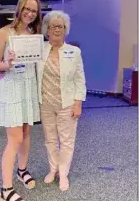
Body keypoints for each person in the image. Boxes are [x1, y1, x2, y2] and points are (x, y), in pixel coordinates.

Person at [0, 0, 42, 201]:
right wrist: (7, 64)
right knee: (15, 139)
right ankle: (5, 190)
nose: (30, 13)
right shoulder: (5, 32)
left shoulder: (32, 33)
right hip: (11, 88)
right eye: (27, 9)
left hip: (27, 87)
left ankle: (22, 170)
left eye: (34, 11)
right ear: (20, 9)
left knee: (26, 132)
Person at [37, 10, 86, 192]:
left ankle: (63, 173)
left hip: (67, 103)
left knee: (66, 140)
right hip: (46, 103)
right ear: (47, 29)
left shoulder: (74, 52)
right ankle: (53, 169)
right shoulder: (39, 49)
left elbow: (80, 79)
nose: (57, 30)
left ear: (65, 29)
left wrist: (78, 103)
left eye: (61, 26)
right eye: (53, 26)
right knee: (50, 139)